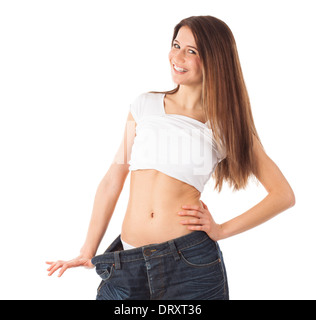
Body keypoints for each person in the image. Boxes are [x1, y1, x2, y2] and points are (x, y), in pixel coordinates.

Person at [46, 15, 295, 300]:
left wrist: (221, 229)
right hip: (127, 265)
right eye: (176, 45)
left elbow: (283, 195)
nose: (177, 57)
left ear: (215, 59)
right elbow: (113, 178)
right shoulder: (144, 105)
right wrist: (87, 251)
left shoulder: (226, 125)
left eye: (192, 51)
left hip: (190, 266)